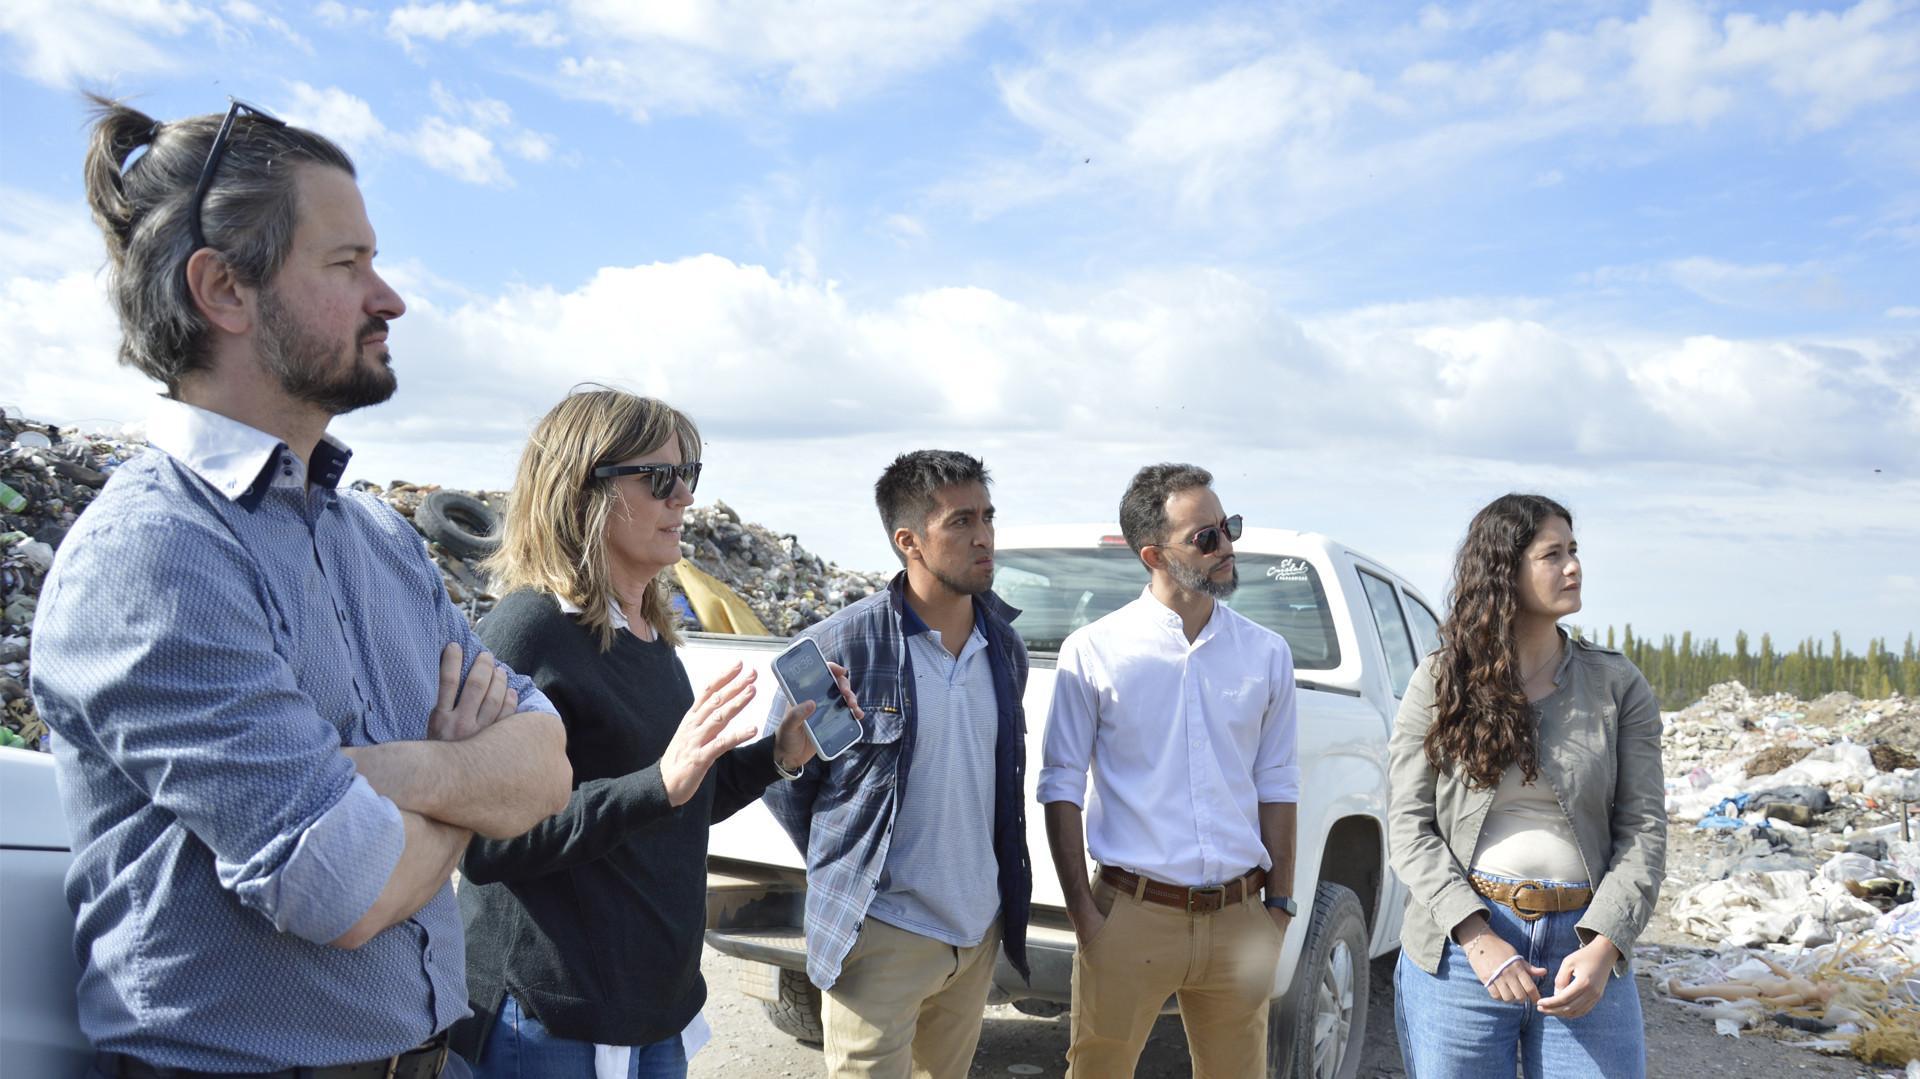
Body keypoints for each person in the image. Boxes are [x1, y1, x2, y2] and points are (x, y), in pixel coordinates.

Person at [32, 96, 573, 1078]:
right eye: (347, 263)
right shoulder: (154, 553)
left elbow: (545, 767)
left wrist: (384, 775)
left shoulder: (376, 537)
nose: (389, 298)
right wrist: (466, 781)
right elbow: (345, 888)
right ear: (224, 290)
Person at [452, 387, 857, 1078]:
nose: (685, 497)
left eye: (689, 473)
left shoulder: (645, 634)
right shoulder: (529, 631)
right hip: (552, 1018)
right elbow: (485, 843)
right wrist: (659, 783)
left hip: (652, 1010)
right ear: (584, 491)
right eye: (661, 477)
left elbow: (674, 802)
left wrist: (777, 755)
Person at [761, 450, 1032, 1079]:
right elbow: (784, 782)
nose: (984, 536)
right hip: (881, 932)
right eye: (961, 521)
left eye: (987, 517)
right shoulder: (840, 648)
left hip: (976, 930)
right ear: (908, 541)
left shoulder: (1004, 646)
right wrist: (852, 871)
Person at [1387, 493, 1666, 1078]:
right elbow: (1408, 826)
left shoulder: (1617, 684)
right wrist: (1476, 936)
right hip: (1462, 949)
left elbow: (1643, 829)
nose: (1573, 566)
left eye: (1574, 551)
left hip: (1584, 949)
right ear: (1503, 570)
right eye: (1552, 554)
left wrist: (1605, 944)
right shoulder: (1442, 681)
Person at [1038, 463, 1299, 1078]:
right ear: (1154, 556)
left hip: (1242, 915)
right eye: (1205, 537)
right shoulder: (1093, 651)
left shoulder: (1266, 653)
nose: (1226, 545)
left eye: (1229, 527)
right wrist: (1085, 916)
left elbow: (1279, 783)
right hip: (1130, 915)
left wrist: (1279, 907)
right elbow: (1060, 787)